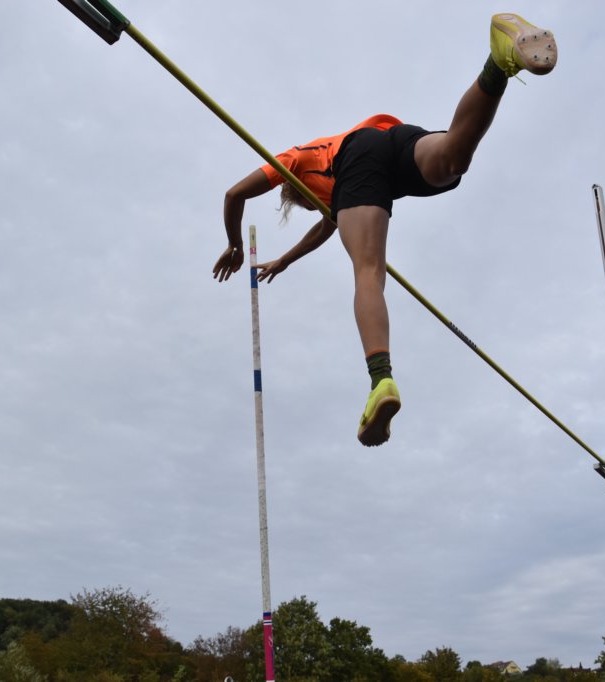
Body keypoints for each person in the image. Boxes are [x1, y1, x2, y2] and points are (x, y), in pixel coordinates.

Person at [213, 13, 557, 447]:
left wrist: (234, 243)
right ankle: (499, 61)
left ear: (295, 193)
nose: (320, 207)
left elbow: (234, 194)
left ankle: (381, 380)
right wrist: (285, 260)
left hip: (360, 157)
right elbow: (328, 225)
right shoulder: (336, 192)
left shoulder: (296, 160)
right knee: (454, 157)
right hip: (395, 141)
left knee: (368, 271)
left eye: (308, 203)